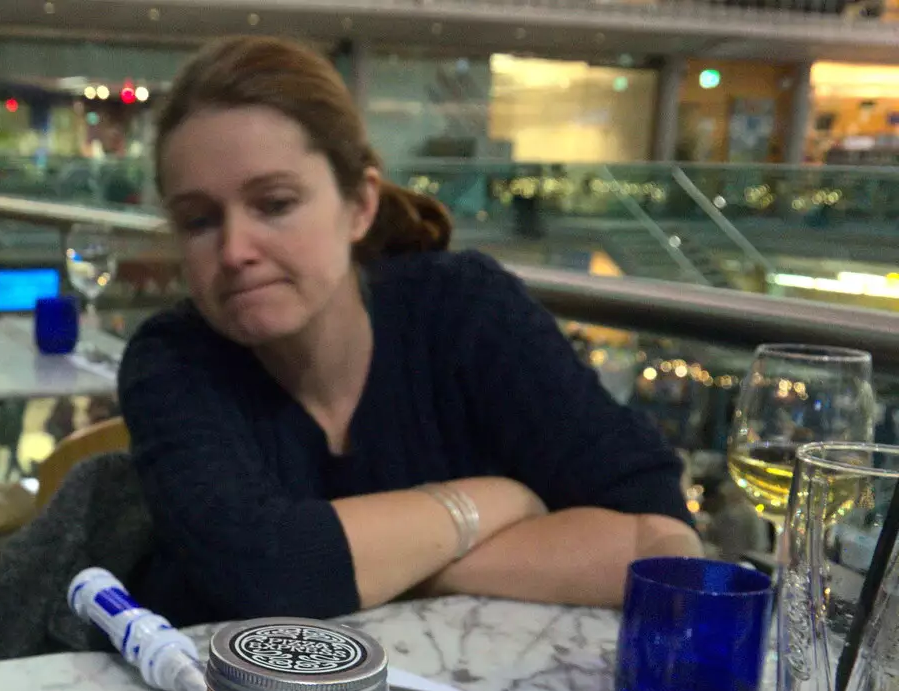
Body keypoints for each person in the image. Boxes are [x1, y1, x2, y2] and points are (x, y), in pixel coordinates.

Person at [120, 37, 700, 629]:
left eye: (274, 203)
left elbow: (660, 540)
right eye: (198, 220)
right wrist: (491, 503)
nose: (236, 250)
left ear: (360, 205)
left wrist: (394, 565)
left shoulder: (463, 310)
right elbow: (266, 575)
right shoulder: (172, 360)